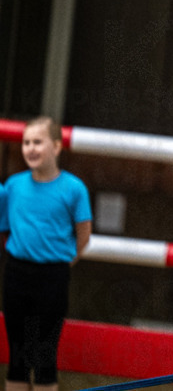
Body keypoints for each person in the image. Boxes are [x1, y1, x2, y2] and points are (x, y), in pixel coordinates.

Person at [1, 116, 92, 391]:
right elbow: (6, 230)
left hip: (53, 276)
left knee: (43, 356)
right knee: (16, 356)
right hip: (16, 274)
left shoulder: (74, 189)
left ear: (56, 146)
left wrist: (62, 262)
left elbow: (83, 235)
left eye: (37, 142)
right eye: (26, 143)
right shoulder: (13, 186)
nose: (30, 148)